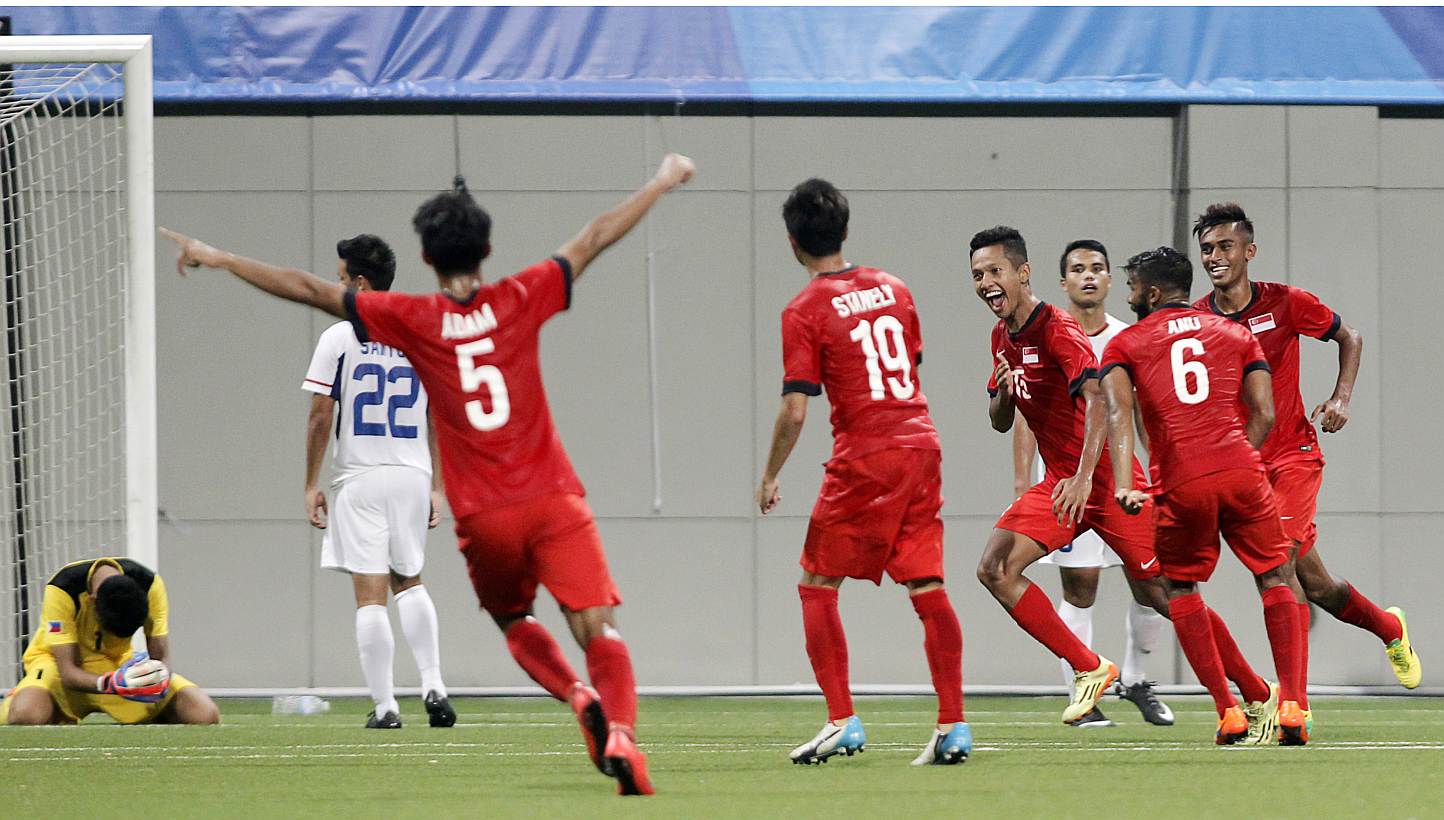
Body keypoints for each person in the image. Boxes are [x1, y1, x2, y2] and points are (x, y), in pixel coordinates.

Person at [160, 152, 696, 796]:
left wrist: (219, 257)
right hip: (551, 495)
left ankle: (577, 695)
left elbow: (307, 288)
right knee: (597, 625)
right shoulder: (524, 294)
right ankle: (622, 734)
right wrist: (662, 181)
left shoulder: (410, 318)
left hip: (482, 515)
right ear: (488, 248)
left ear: (425, 260)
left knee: (515, 621)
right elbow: (596, 236)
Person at [757, 178, 970, 767]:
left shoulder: (803, 310)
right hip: (922, 445)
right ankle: (953, 725)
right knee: (927, 585)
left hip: (867, 454)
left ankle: (842, 720)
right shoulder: (894, 288)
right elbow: (909, 363)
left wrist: (770, 474)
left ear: (792, 243)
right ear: (845, 231)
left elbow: (796, 406)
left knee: (815, 583)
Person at [1192, 203, 1420, 718]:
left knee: (1276, 566)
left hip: (1293, 456)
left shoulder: (1286, 302)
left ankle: (1293, 703)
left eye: (1225, 246)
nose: (1215, 257)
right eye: (1207, 249)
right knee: (1316, 584)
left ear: (1249, 251)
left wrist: (1340, 398)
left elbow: (1350, 335)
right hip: (1242, 468)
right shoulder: (1199, 319)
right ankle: (1390, 627)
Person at [1102, 246, 1308, 745]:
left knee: (1181, 590)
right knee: (1275, 576)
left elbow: (1117, 415)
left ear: (1151, 292)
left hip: (1180, 480)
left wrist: (1128, 483)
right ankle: (1294, 709)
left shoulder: (1125, 345)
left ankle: (1229, 712)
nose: (1128, 297)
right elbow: (1264, 413)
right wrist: (1241, 459)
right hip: (1241, 468)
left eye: (1131, 288)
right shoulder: (1236, 333)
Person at [971, 225, 1172, 725]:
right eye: (978, 275)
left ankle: (1238, 686)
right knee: (1049, 579)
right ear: (1062, 280)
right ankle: (1086, 681)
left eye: (995, 271)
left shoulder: (1110, 334)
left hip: (1110, 478)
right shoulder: (1007, 335)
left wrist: (1158, 472)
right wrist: (1002, 384)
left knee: (1161, 591)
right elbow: (1008, 418)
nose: (986, 282)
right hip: (1062, 479)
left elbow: (1124, 409)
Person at [302, 234, 453, 729]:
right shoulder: (419, 333)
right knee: (409, 581)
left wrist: (310, 483)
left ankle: (386, 706)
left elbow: (320, 416)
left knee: (371, 595)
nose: (336, 286)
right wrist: (435, 484)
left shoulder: (339, 338)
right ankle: (434, 684)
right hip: (412, 474)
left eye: (341, 278)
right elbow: (437, 414)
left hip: (361, 477)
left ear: (360, 283)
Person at [1, 557, 220, 726]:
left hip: (120, 664)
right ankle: (23, 696)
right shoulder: (62, 588)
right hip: (57, 664)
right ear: (93, 602)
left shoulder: (150, 585)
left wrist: (158, 679)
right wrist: (111, 684)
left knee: (204, 713)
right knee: (26, 714)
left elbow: (162, 657)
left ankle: (144, 713)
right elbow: (67, 671)